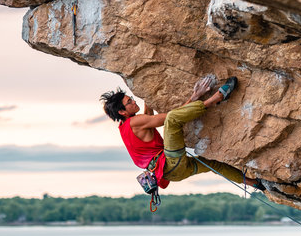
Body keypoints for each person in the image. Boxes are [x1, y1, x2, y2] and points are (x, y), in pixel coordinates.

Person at [100, 76, 264, 190]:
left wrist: (147, 94)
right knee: (172, 120)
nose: (133, 101)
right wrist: (196, 97)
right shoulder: (135, 122)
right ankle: (216, 98)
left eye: (131, 98)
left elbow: (154, 115)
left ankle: (254, 183)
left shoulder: (125, 127)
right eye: (129, 102)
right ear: (122, 112)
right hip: (170, 163)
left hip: (173, 173)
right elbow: (171, 117)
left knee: (214, 165)